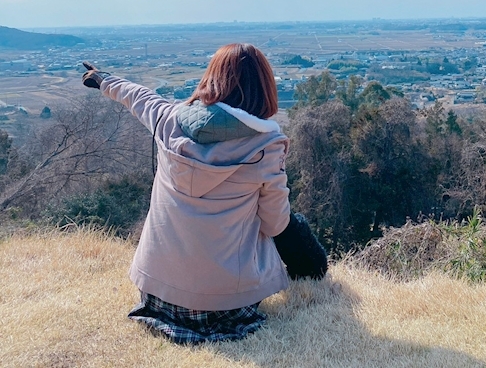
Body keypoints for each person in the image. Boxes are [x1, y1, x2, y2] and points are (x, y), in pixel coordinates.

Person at [82, 43, 324, 344]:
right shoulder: (266, 146)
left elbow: (140, 97)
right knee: (293, 223)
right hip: (228, 305)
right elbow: (275, 224)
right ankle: (316, 273)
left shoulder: (168, 120)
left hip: (159, 294)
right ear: (264, 88)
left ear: (212, 79)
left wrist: (105, 80)